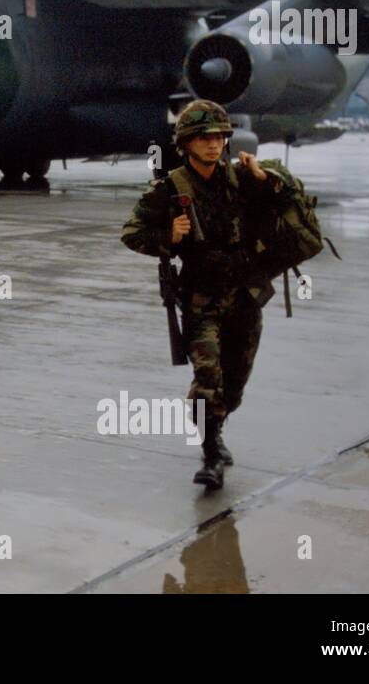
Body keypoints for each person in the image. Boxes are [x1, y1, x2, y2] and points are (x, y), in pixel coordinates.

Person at [120, 100, 292, 490]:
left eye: (219, 137)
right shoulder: (171, 188)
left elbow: (283, 198)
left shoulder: (241, 178)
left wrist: (264, 177)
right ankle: (211, 450)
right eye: (204, 137)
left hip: (246, 297)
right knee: (207, 376)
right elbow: (132, 233)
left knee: (235, 382)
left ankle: (216, 426)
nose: (214, 144)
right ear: (187, 143)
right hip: (202, 300)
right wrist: (170, 237)